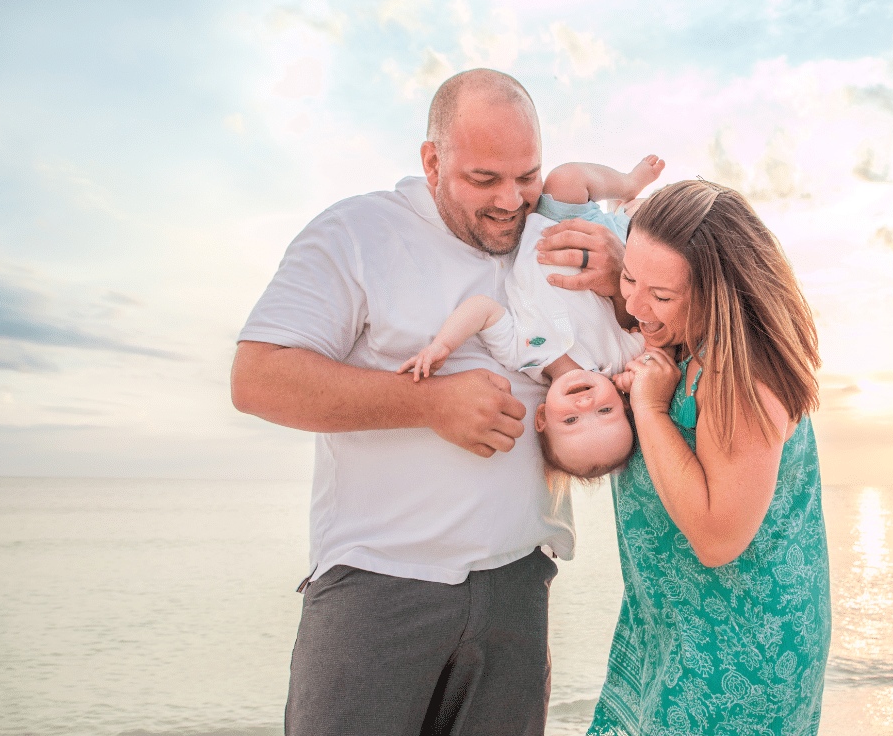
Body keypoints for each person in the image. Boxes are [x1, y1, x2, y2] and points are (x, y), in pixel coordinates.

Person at [230, 68, 624, 736]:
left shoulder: (551, 235)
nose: (511, 200)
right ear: (432, 161)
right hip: (378, 590)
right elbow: (257, 378)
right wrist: (429, 403)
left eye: (526, 176)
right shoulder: (356, 232)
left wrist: (617, 281)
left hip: (517, 591)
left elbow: (644, 337)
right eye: (484, 180)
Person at [587, 180, 831, 736]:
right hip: (672, 622)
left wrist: (648, 409)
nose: (633, 305)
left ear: (717, 294)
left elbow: (719, 538)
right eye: (630, 278)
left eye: (661, 296)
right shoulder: (687, 341)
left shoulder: (741, 376)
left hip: (738, 653)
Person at [398, 157, 665, 480]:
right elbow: (660, 337)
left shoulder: (521, 355)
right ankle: (627, 185)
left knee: (563, 180)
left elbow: (482, 309)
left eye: (571, 421)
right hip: (609, 248)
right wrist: (643, 375)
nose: (585, 404)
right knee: (636, 211)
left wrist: (443, 344)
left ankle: (624, 210)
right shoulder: (620, 358)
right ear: (624, 404)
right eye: (605, 411)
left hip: (551, 232)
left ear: (542, 418)